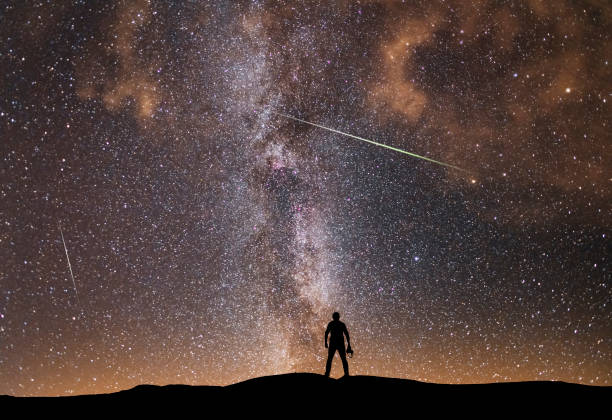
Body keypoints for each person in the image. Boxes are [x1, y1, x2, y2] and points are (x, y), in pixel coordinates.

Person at [324, 312, 352, 377]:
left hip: (334, 343)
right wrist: (349, 344)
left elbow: (326, 333)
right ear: (338, 317)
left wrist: (325, 342)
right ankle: (346, 373)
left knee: (330, 359)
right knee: (343, 359)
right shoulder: (341, 324)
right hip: (339, 343)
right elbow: (346, 334)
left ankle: (327, 373)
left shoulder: (331, 324)